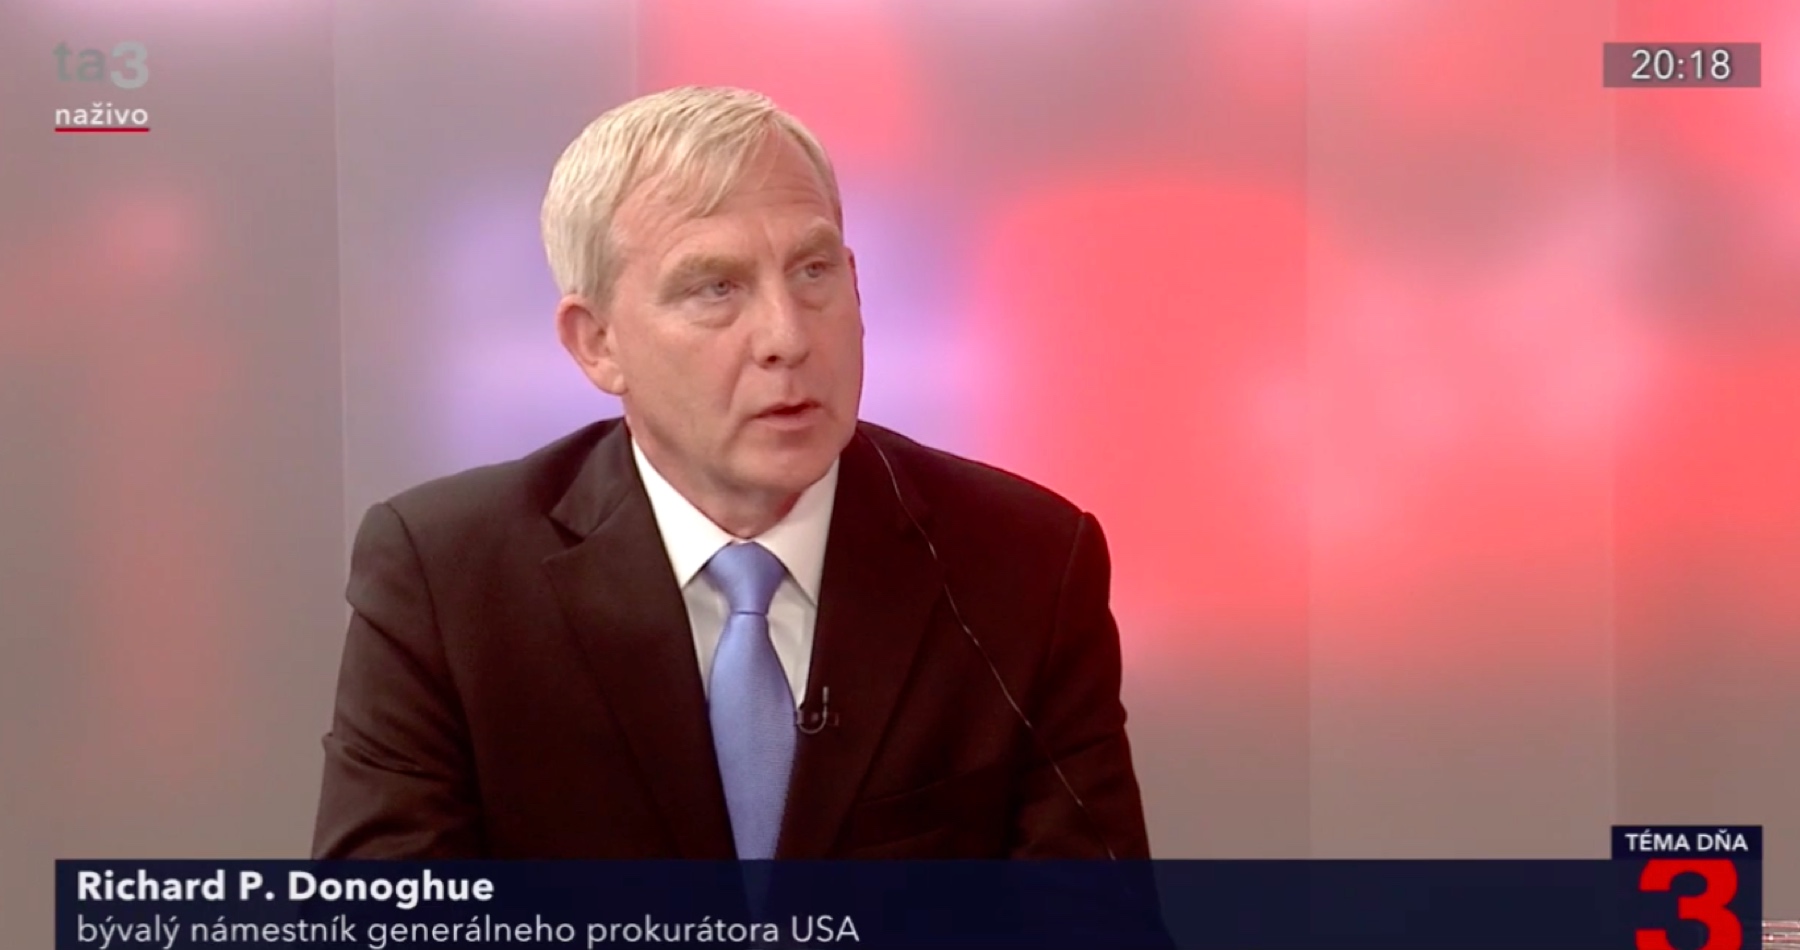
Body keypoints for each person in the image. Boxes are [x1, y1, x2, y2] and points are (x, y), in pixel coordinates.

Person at [312, 86, 1150, 860]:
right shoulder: (447, 580)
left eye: (813, 272)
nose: (787, 336)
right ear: (597, 343)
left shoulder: (1027, 564)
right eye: (716, 288)